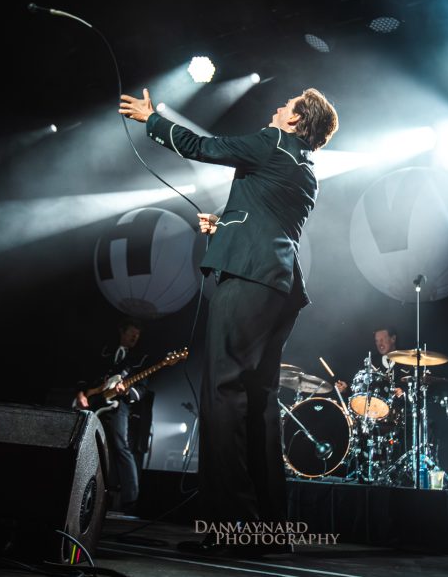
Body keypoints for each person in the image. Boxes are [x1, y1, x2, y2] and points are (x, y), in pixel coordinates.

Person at [119, 86, 338, 552]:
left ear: (296, 121)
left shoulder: (272, 141)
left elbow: (203, 146)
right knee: (258, 404)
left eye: (286, 105)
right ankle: (268, 527)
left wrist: (151, 119)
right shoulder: (306, 170)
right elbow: (269, 220)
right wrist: (226, 227)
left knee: (223, 395)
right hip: (280, 287)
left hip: (250, 279)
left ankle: (229, 526)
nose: (277, 108)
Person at [76, 319, 148, 514]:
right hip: (93, 403)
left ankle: (130, 501)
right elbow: (86, 373)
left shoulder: (139, 359)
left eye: (138, 335)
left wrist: (127, 391)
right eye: (132, 332)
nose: (135, 337)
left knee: (121, 447)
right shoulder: (104, 351)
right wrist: (81, 393)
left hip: (118, 406)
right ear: (122, 331)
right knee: (85, 444)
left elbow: (142, 390)